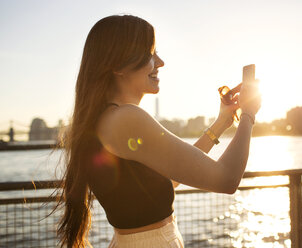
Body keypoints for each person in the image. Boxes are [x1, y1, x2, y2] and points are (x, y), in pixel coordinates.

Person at [56, 14, 261, 248]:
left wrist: (222, 123)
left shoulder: (106, 119)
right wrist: (248, 114)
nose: (160, 62)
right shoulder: (127, 118)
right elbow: (226, 179)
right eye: (150, 53)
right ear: (118, 65)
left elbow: (169, 179)